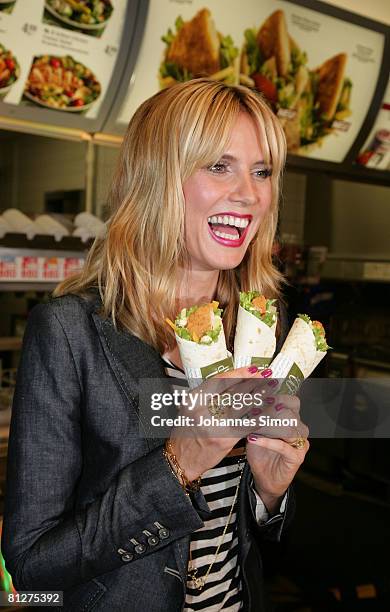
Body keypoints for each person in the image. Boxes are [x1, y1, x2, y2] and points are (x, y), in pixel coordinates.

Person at [2, 79, 309, 611]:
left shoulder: (262, 323)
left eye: (262, 172)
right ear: (157, 177)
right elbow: (30, 568)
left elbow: (253, 540)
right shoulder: (69, 333)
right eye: (219, 166)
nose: (249, 194)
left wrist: (270, 494)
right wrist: (179, 463)